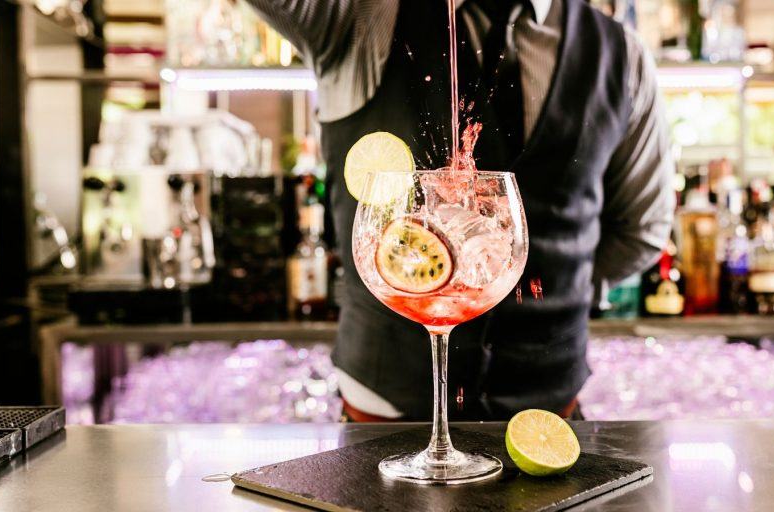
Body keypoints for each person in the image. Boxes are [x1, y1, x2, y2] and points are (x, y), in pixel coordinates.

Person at [246, 0, 675, 421]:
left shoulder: (620, 54)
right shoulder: (357, 16)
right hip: (385, 417)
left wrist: (566, 285)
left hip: (547, 418)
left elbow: (643, 227)